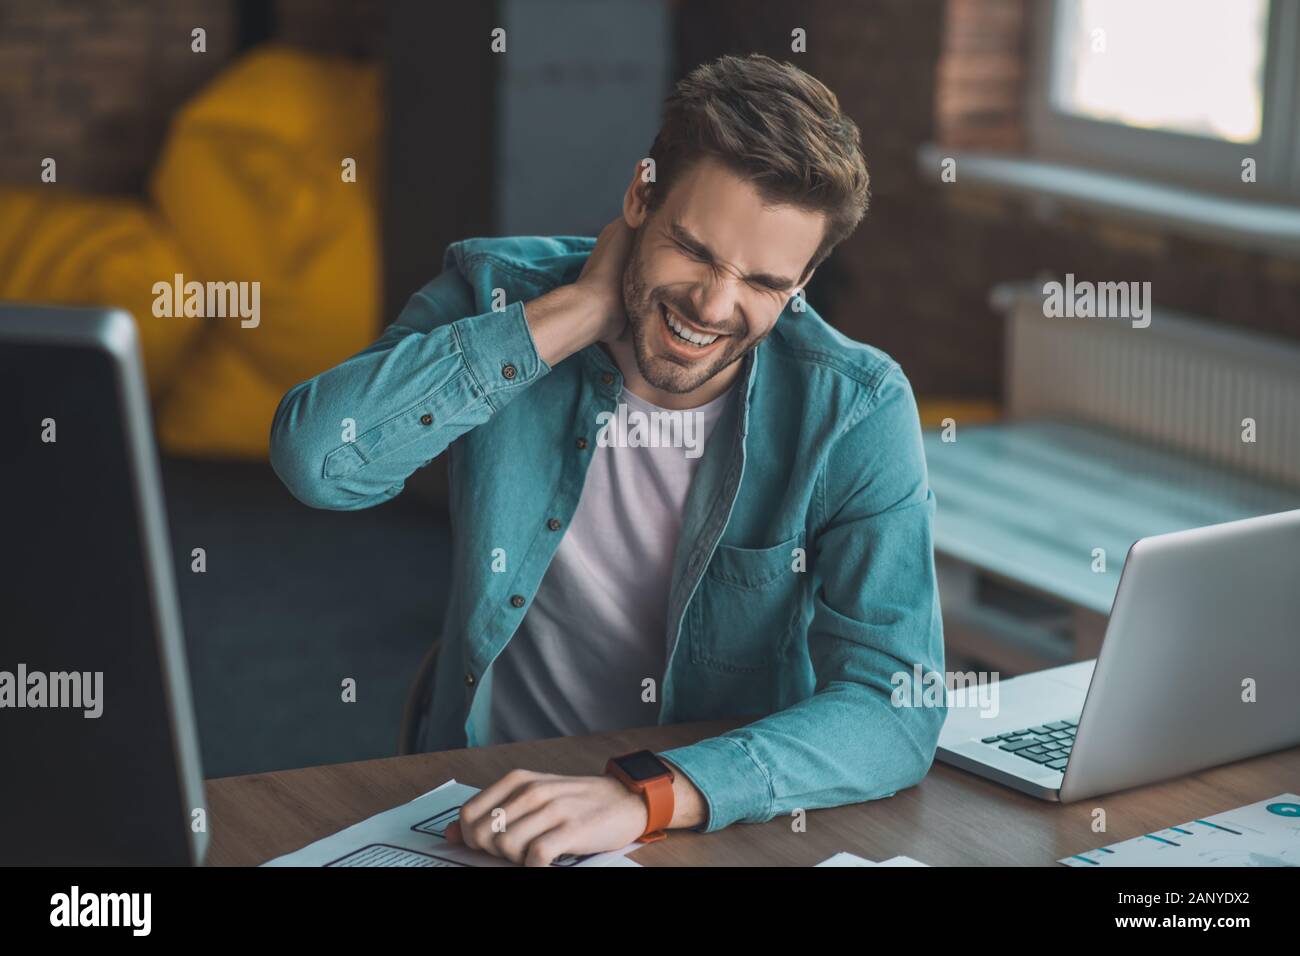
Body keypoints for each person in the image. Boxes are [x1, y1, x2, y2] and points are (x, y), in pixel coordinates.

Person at [270, 53, 945, 866]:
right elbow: (319, 461)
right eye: (694, 251)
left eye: (764, 283)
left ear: (805, 278)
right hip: (478, 800)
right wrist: (575, 312)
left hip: (701, 815)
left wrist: (644, 795)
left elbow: (896, 704)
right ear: (640, 197)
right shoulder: (496, 292)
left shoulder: (856, 408)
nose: (712, 305)